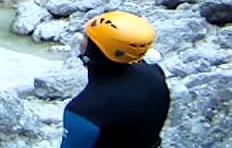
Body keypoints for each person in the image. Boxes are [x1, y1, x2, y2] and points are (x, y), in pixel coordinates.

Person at [60, 11, 171, 148]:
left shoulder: (83, 110)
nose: (80, 40)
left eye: (86, 37)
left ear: (96, 49)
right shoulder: (154, 73)